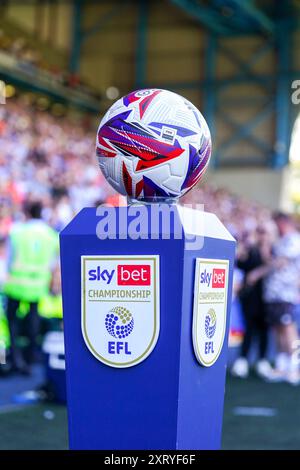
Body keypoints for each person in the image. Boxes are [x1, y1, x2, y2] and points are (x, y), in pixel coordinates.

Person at [3, 201, 58, 374]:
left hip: (16, 282)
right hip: (38, 283)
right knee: (34, 316)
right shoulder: (51, 235)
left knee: (11, 320)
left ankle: (15, 357)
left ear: (27, 212)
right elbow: (53, 262)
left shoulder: (18, 232)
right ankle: (31, 355)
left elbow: (10, 258)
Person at [231, 226, 273, 380]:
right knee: (248, 329)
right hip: (251, 298)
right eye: (260, 232)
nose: (262, 236)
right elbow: (241, 264)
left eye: (265, 233)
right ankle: (242, 360)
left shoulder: (274, 251)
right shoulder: (251, 250)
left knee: (264, 330)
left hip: (268, 298)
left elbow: (276, 267)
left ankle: (262, 361)